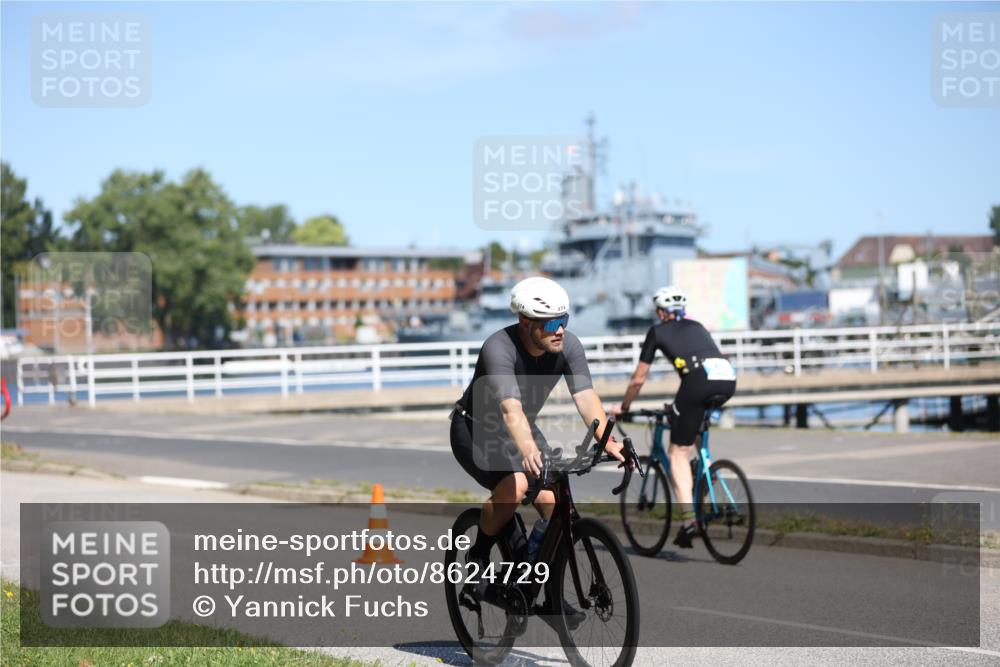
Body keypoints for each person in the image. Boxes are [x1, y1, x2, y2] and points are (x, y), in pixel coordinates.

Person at [450, 276, 625, 622]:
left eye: (565, 320)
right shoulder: (498, 348)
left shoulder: (568, 347)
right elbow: (509, 409)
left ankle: (541, 590)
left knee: (553, 501)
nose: (560, 330)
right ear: (525, 322)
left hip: (522, 427)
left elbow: (586, 398)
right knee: (515, 483)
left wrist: (609, 441)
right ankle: (478, 557)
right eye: (551, 323)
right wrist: (528, 450)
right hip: (476, 428)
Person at [611, 286, 737, 548]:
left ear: (660, 311)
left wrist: (624, 406)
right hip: (726, 378)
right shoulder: (697, 326)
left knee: (677, 452)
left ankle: (689, 521)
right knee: (692, 424)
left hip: (699, 382)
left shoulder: (657, 331)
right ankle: (706, 474)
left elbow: (638, 379)